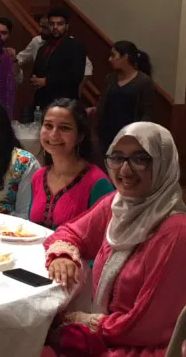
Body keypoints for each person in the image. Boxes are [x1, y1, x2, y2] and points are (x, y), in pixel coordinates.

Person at [43, 122, 186, 357]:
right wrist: (63, 255)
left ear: (163, 163)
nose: (125, 170)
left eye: (140, 159)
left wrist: (82, 323)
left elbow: (145, 326)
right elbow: (70, 232)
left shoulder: (175, 232)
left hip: (140, 348)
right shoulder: (117, 204)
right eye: (117, 158)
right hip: (108, 335)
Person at [30, 98, 113, 229]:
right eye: (48, 125)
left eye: (64, 128)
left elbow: (106, 239)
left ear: (80, 136)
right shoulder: (38, 177)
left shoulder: (98, 183)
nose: (53, 134)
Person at [91, 40, 155, 155]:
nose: (110, 59)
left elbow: (147, 113)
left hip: (128, 136)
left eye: (113, 55)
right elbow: (102, 104)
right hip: (106, 135)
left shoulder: (143, 82)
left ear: (125, 57)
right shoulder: (110, 78)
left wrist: (137, 137)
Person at [5, 13, 94, 79]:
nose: (41, 31)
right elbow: (21, 59)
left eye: (45, 28)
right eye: (41, 27)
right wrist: (13, 58)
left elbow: (87, 69)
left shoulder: (71, 44)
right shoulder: (37, 41)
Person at [31, 8, 87, 109]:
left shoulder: (75, 46)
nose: (55, 27)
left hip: (64, 103)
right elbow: (36, 70)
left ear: (66, 26)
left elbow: (76, 76)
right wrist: (34, 79)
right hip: (42, 101)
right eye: (52, 24)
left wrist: (47, 81)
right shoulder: (43, 48)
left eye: (60, 24)